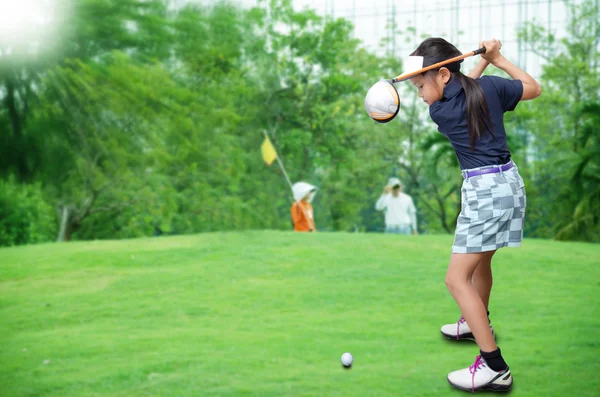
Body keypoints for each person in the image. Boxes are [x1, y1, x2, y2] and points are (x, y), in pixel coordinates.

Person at [406, 38, 541, 392]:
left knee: (455, 279)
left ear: (443, 76)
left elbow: (465, 89)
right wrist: (498, 59)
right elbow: (533, 88)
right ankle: (476, 321)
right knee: (480, 264)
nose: (420, 94)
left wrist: (485, 61)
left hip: (484, 193)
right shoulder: (489, 89)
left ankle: (494, 365)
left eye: (421, 85)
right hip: (509, 185)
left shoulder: (441, 111)